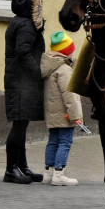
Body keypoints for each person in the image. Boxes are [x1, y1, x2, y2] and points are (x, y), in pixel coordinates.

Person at [4, 0, 45, 184]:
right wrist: (39, 72)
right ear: (30, 6)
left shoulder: (20, 22)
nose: (40, 7)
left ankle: (21, 167)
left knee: (22, 124)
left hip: (19, 81)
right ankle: (11, 169)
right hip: (21, 82)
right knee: (19, 125)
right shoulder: (26, 25)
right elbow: (23, 51)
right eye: (38, 4)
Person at [40, 31, 84, 185]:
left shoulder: (51, 67)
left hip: (53, 113)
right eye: (71, 49)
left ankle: (48, 172)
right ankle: (59, 174)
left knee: (53, 141)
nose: (73, 51)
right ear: (65, 52)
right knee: (65, 142)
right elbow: (69, 95)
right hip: (65, 114)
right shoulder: (64, 70)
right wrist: (75, 116)